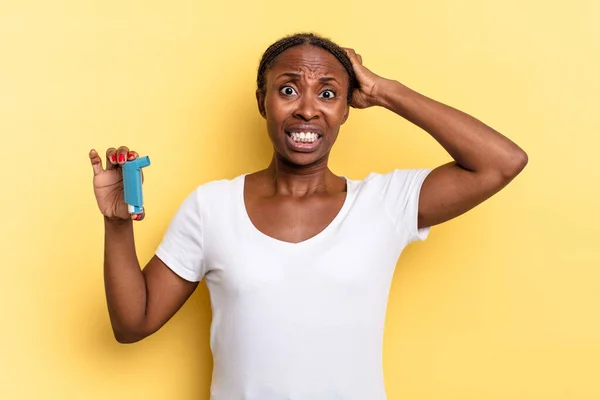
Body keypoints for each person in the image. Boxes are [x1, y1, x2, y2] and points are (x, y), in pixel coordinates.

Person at [88, 33, 527, 399]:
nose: (307, 109)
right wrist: (117, 225)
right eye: (288, 89)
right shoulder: (211, 207)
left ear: (346, 108)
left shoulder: (383, 204)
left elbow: (501, 161)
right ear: (263, 101)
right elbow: (133, 323)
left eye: (329, 93)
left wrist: (383, 90)